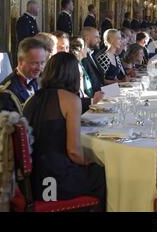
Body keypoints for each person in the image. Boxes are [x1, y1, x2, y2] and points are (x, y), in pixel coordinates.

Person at [23, 53, 106, 207]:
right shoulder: (70, 100)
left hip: (31, 179)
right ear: (73, 74)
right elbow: (74, 152)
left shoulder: (32, 99)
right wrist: (90, 161)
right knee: (103, 174)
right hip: (55, 179)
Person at [0, 38, 47, 113]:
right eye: (34, 63)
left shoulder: (36, 81)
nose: (39, 68)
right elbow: (7, 124)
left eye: (42, 63)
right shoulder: (6, 93)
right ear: (20, 61)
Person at [81, 27, 104, 92]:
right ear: (87, 38)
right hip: (93, 96)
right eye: (96, 37)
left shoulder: (92, 54)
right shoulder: (83, 57)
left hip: (102, 92)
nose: (99, 40)